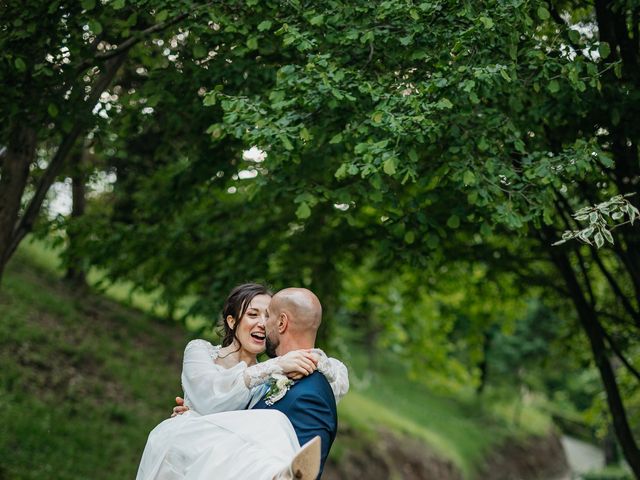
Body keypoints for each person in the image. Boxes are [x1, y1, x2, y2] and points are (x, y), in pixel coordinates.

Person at [136, 284, 348, 480]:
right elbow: (208, 398)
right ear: (232, 321)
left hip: (217, 465)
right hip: (184, 452)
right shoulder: (201, 351)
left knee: (273, 423)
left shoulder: (271, 380)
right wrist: (194, 416)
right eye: (253, 314)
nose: (262, 323)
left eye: (268, 316)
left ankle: (278, 475)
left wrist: (312, 359)